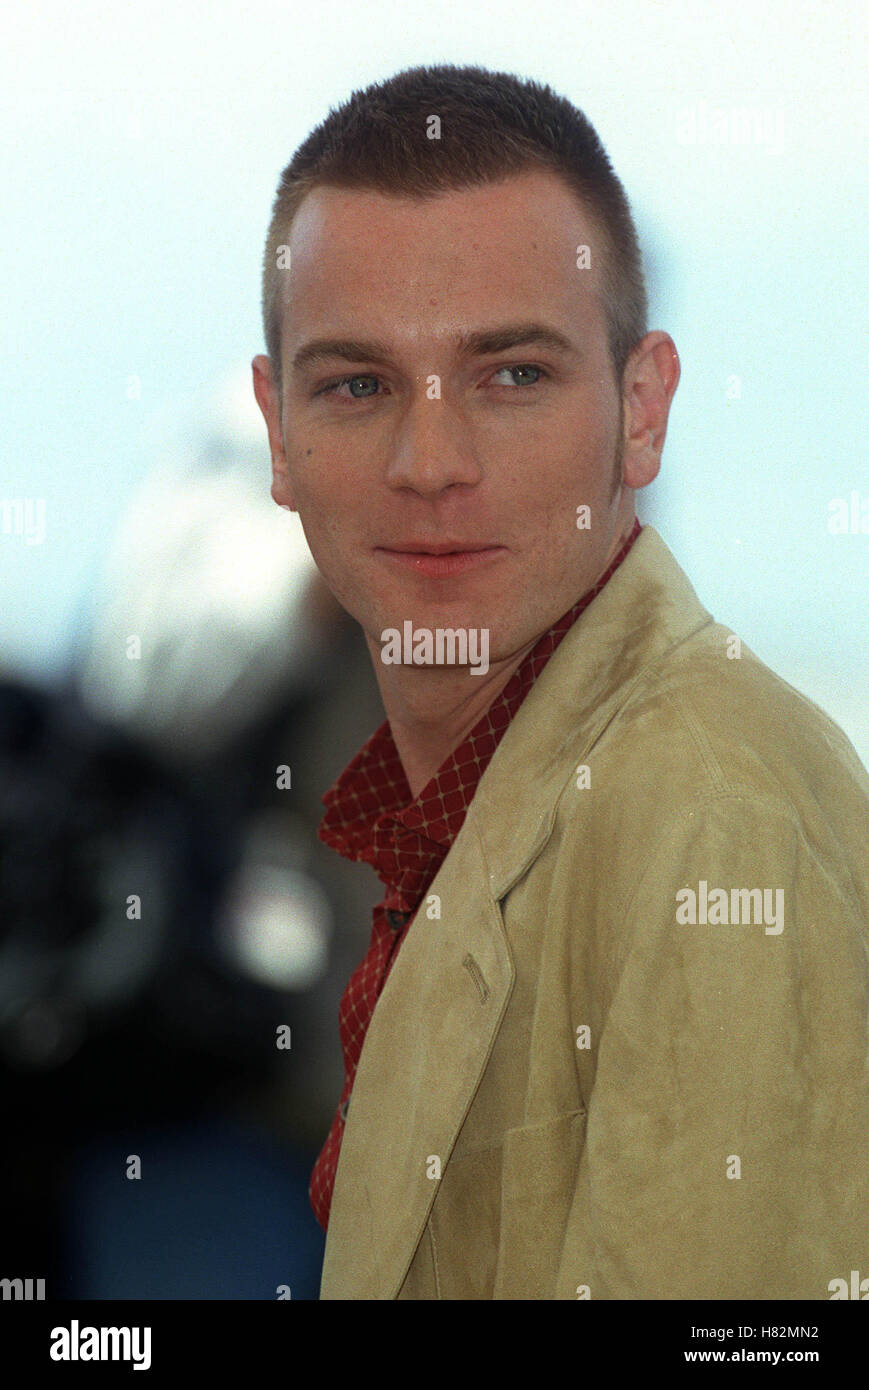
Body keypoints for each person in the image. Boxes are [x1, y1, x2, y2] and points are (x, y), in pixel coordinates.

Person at [251, 63, 869, 1300]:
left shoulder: (713, 820)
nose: (430, 462)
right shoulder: (465, 795)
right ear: (277, 433)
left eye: (512, 374)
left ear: (642, 413)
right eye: (358, 384)